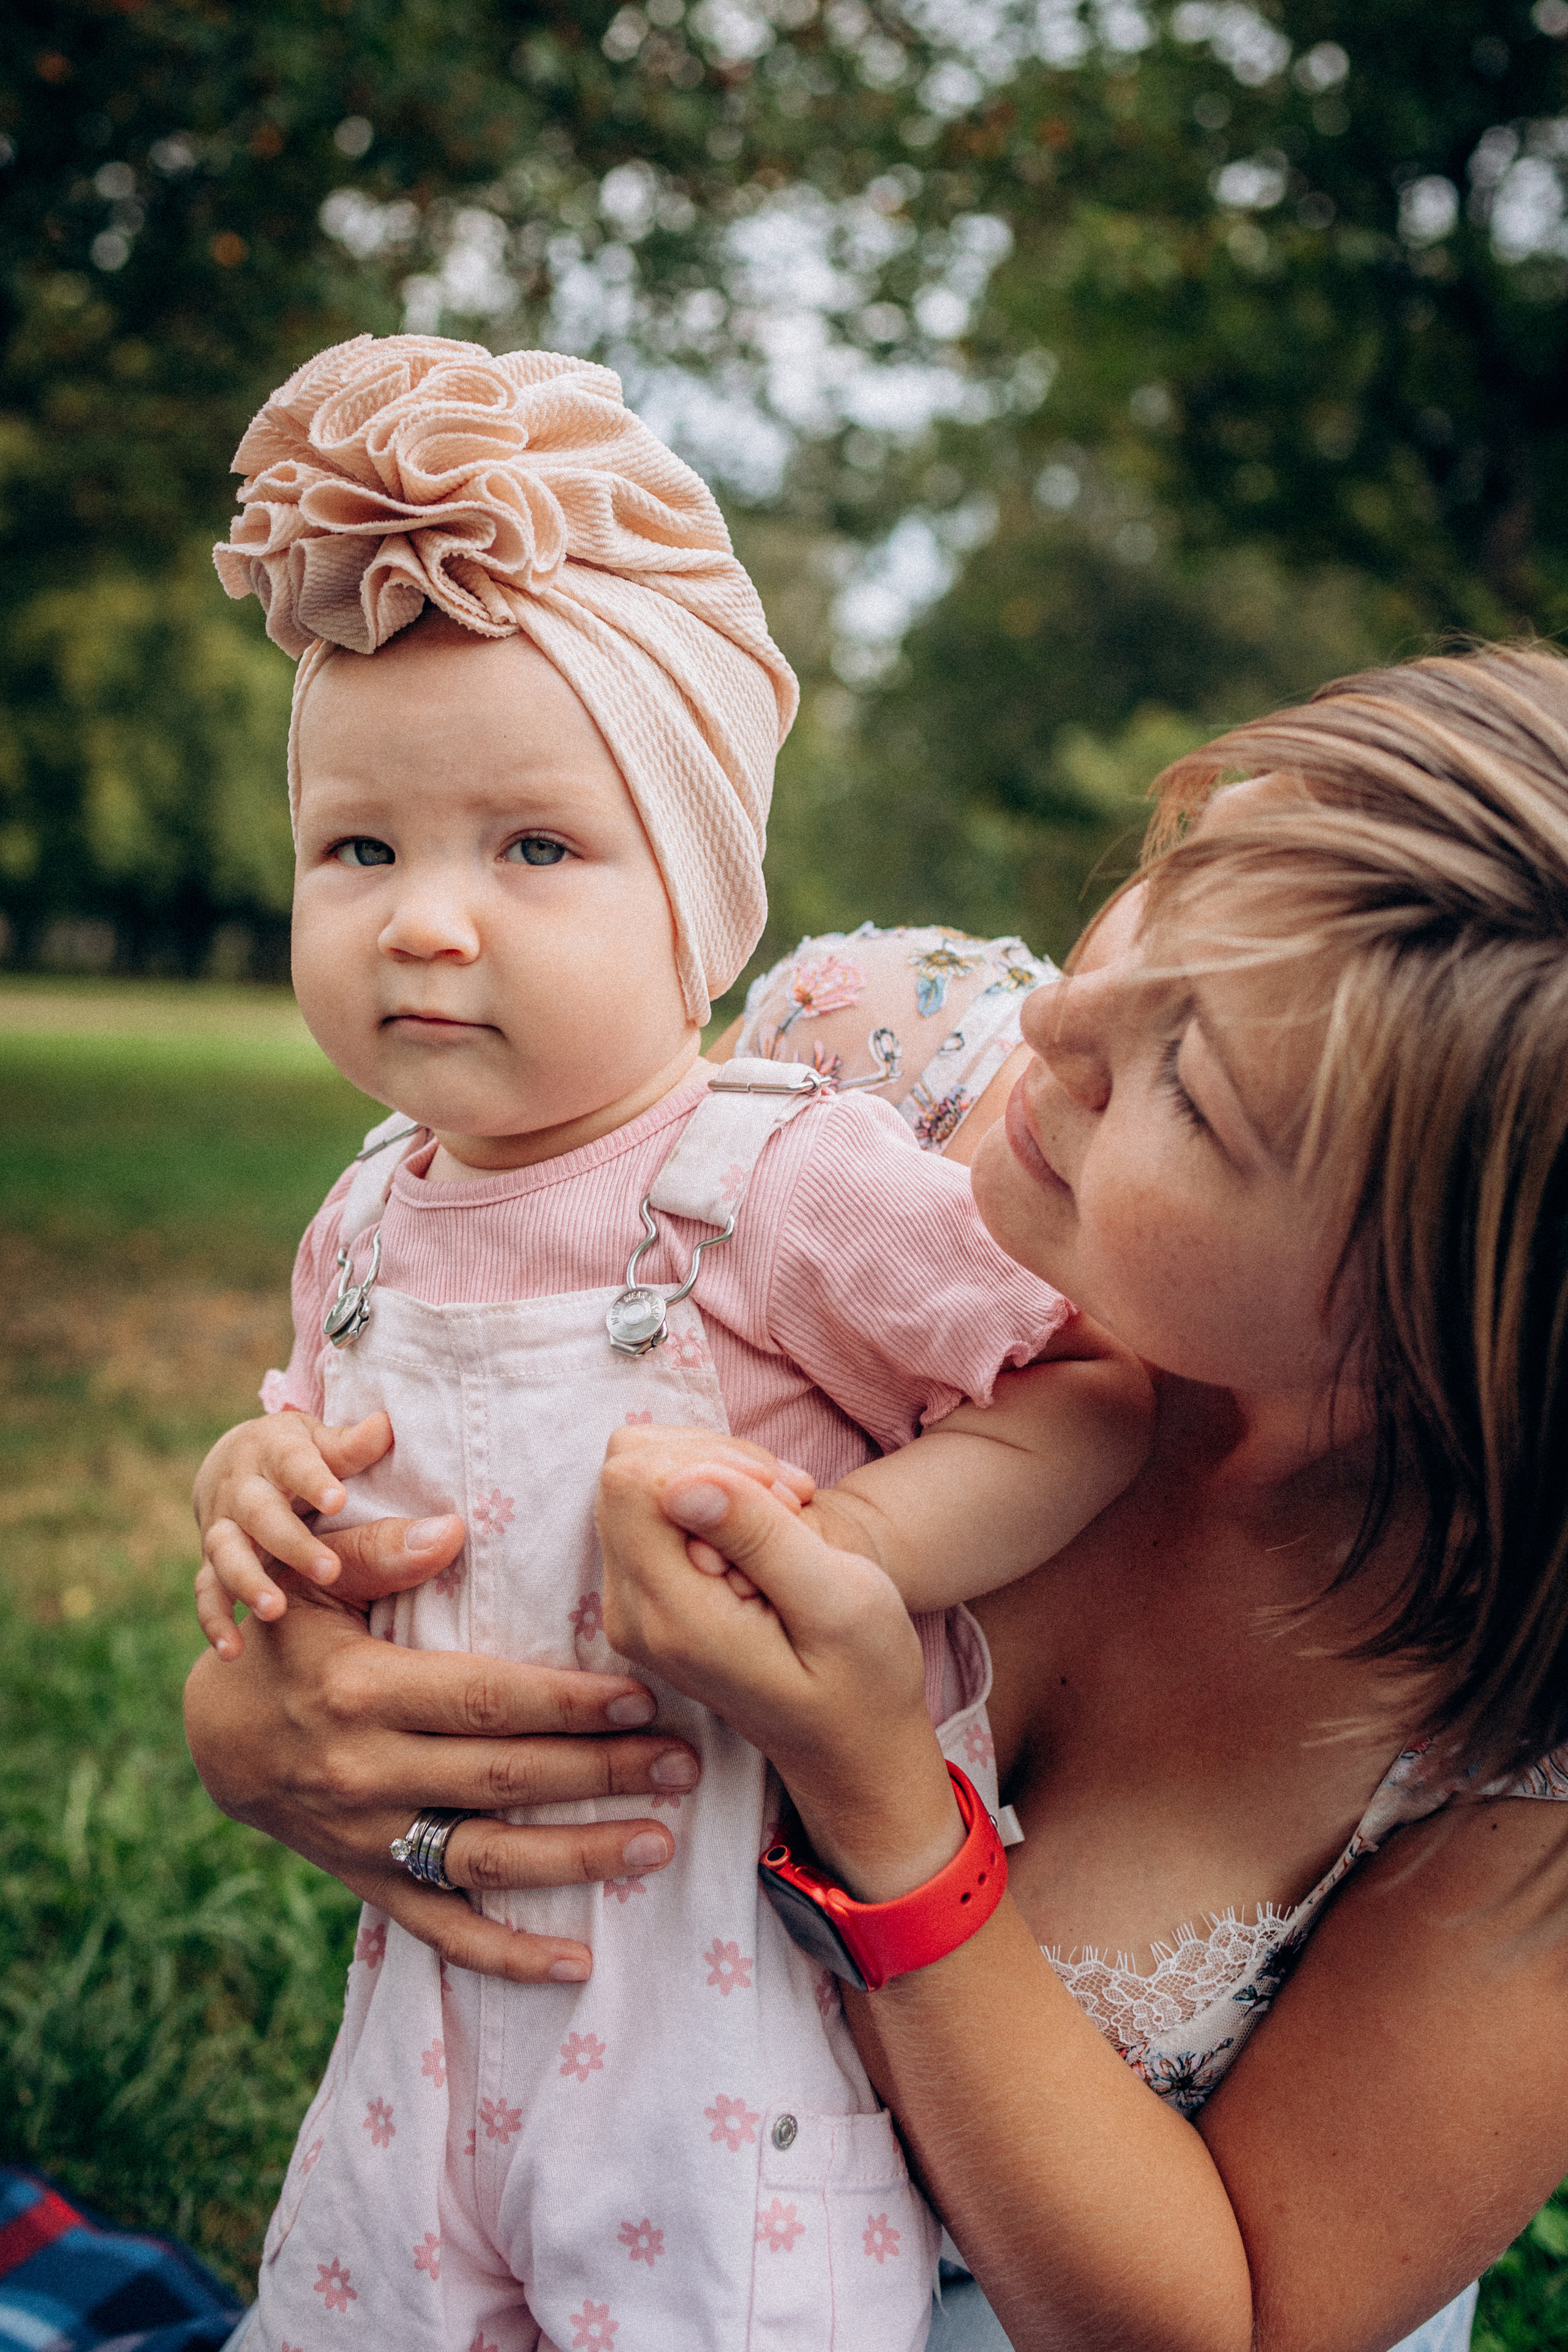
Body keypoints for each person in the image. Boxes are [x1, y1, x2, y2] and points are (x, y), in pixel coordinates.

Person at [188, 644, 1568, 2352]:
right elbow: (444, 1423)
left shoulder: (1527, 1732)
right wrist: (276, 1720)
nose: (1058, 1018)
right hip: (582, 2220)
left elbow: (1234, 2326)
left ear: (1447, 1325)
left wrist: (883, 1798)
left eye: (1199, 1092)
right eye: (1169, 892)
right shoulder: (856, 1088)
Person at [191, 331, 1151, 2352]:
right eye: (359, 850)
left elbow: (1080, 1394)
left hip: (723, 2023)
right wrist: (251, 1487)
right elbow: (316, 1431)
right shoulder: (366, 1208)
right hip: (435, 2003)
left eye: (533, 849)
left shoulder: (781, 1175)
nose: (424, 921)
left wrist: (857, 1547)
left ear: (704, 911)